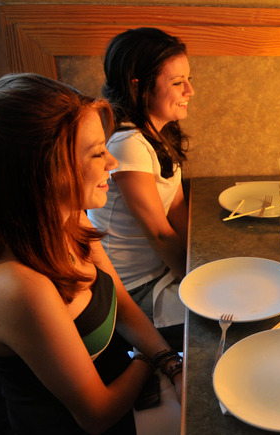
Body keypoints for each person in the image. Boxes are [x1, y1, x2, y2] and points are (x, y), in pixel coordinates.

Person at [0, 73, 181, 435]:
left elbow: (121, 303)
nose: (112, 164)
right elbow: (97, 414)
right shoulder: (17, 286)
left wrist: (170, 362)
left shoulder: (70, 222)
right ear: (41, 171)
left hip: (130, 386)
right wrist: (149, 361)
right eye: (97, 153)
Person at [88, 28, 192, 347]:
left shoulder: (159, 133)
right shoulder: (127, 144)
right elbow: (159, 234)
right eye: (177, 83)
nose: (190, 90)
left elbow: (176, 208)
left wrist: (204, 260)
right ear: (139, 85)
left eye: (188, 79)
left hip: (161, 273)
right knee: (225, 319)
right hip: (134, 290)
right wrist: (199, 283)